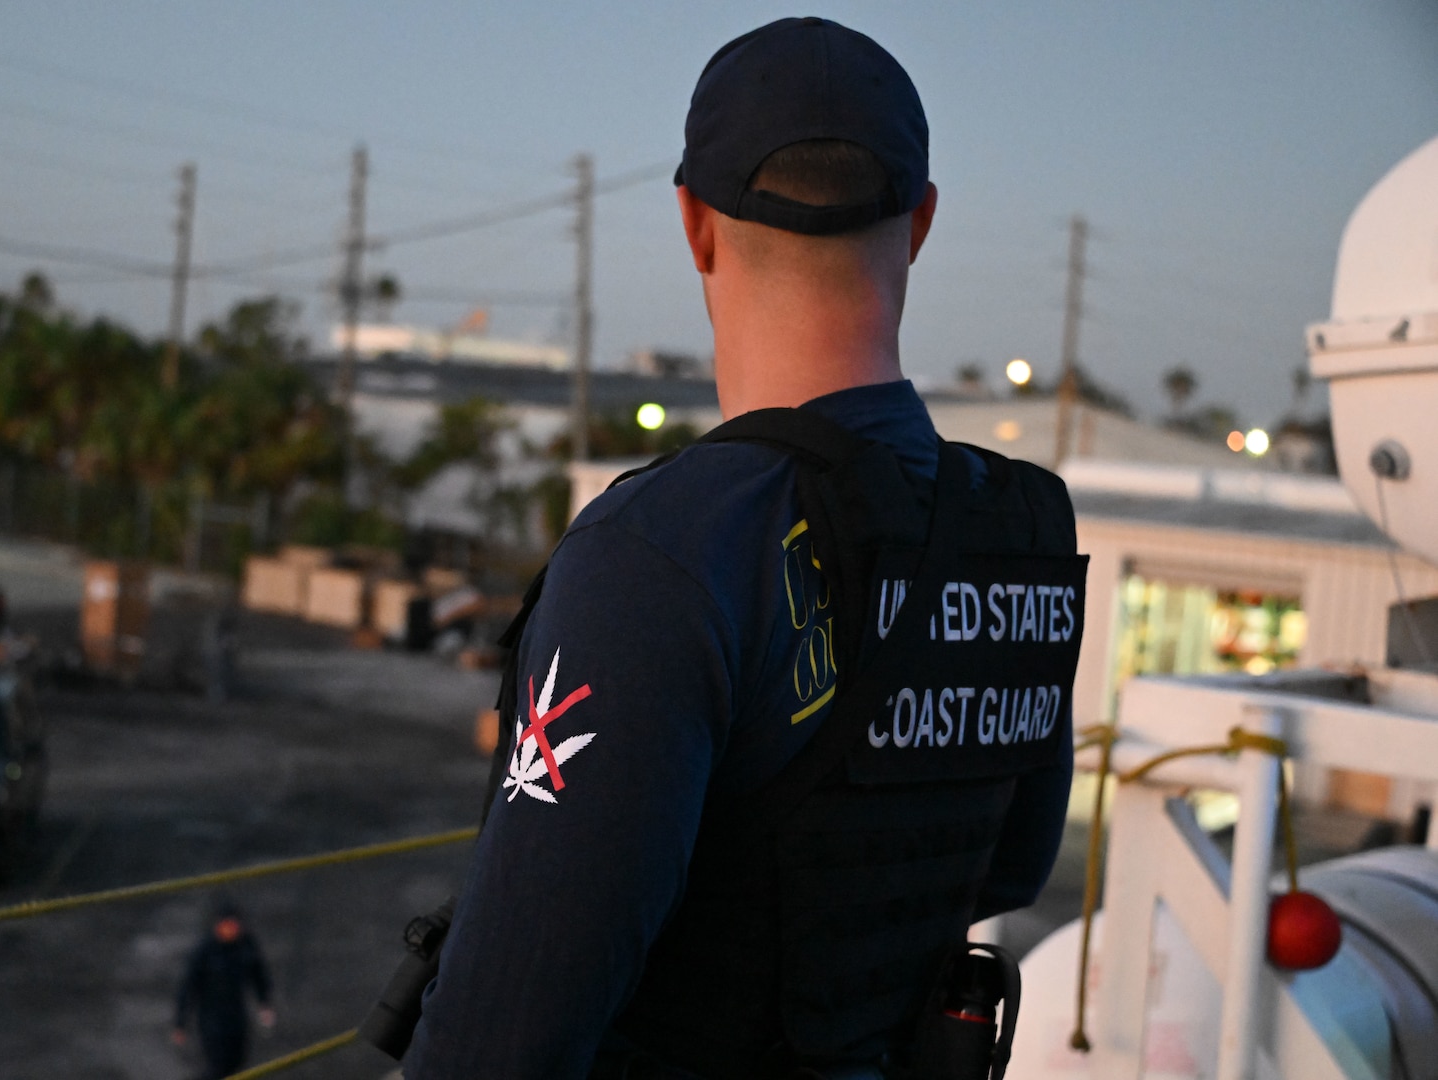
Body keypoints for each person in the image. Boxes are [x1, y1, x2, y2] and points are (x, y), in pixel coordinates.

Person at [404, 17, 1083, 1079]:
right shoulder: (1028, 526)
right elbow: (1014, 866)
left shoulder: (660, 554)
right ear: (920, 223)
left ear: (695, 225)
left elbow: (497, 1042)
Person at [173, 899, 276, 1080]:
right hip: (211, 1019)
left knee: (237, 1062)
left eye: (233, 925)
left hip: (237, 1017)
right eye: (225, 925)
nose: (230, 929)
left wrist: (264, 1004)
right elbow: (188, 987)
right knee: (217, 1067)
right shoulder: (205, 951)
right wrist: (180, 1023)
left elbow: (259, 976)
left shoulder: (246, 945)